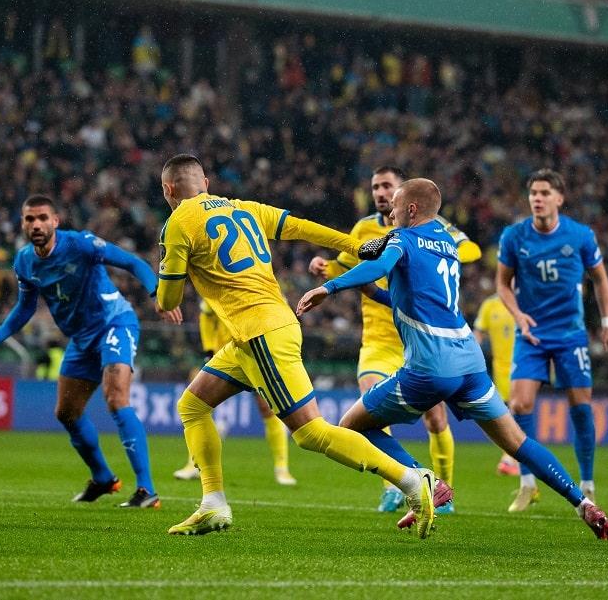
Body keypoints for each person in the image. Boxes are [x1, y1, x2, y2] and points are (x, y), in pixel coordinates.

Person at [296, 178, 608, 540]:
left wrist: (329, 287)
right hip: (469, 362)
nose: (391, 213)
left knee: (352, 424)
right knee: (518, 443)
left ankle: (425, 481)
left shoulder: (402, 238)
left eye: (396, 206)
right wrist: (372, 292)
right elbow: (415, 296)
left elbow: (380, 267)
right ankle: (583, 503)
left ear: (411, 209)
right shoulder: (447, 242)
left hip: (430, 365)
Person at [156, 154, 436, 538]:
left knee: (311, 433)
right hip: (258, 333)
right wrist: (358, 246)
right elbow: (303, 228)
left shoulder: (177, 224)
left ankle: (411, 480)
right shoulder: (246, 208)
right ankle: (213, 503)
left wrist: (169, 281)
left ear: (168, 190)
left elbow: (169, 300)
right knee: (192, 405)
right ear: (205, 182)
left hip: (259, 333)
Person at [0, 194, 178, 508]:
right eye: (30, 219)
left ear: (55, 221)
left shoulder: (81, 244)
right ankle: (103, 478)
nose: (36, 224)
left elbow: (132, 262)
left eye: (43, 218)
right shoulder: (24, 262)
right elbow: (25, 307)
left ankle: (146, 490)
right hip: (81, 339)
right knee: (66, 412)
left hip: (114, 323)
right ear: (22, 224)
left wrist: (157, 293)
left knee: (116, 397)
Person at [309, 165, 481, 514]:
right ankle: (393, 486)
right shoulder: (364, 228)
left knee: (436, 420)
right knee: (370, 413)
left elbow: (473, 251)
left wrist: (434, 252)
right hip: (377, 341)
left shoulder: (435, 228)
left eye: (387, 186)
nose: (380, 192)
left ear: (405, 192)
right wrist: (325, 267)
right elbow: (347, 263)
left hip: (422, 343)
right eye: (375, 186)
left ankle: (445, 493)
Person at [495, 169, 608, 512]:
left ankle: (587, 483)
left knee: (581, 407)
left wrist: (607, 323)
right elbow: (503, 283)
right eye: (533, 192)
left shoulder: (580, 235)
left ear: (559, 198)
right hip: (531, 332)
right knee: (519, 404)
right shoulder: (514, 236)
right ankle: (527, 484)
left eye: (545, 192)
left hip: (569, 334)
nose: (537, 198)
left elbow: (600, 279)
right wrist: (518, 315)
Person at [173, 299, 297, 486]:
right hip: (223, 355)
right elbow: (206, 315)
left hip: (254, 353)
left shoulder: (267, 291)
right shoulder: (220, 287)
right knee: (199, 405)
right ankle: (194, 464)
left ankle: (282, 468)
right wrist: (209, 349)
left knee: (267, 408)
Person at [473, 293, 520, 476]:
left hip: (522, 366)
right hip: (500, 369)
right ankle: (511, 457)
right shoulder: (490, 305)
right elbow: (478, 333)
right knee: (508, 414)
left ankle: (509, 458)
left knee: (516, 410)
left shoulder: (524, 300)